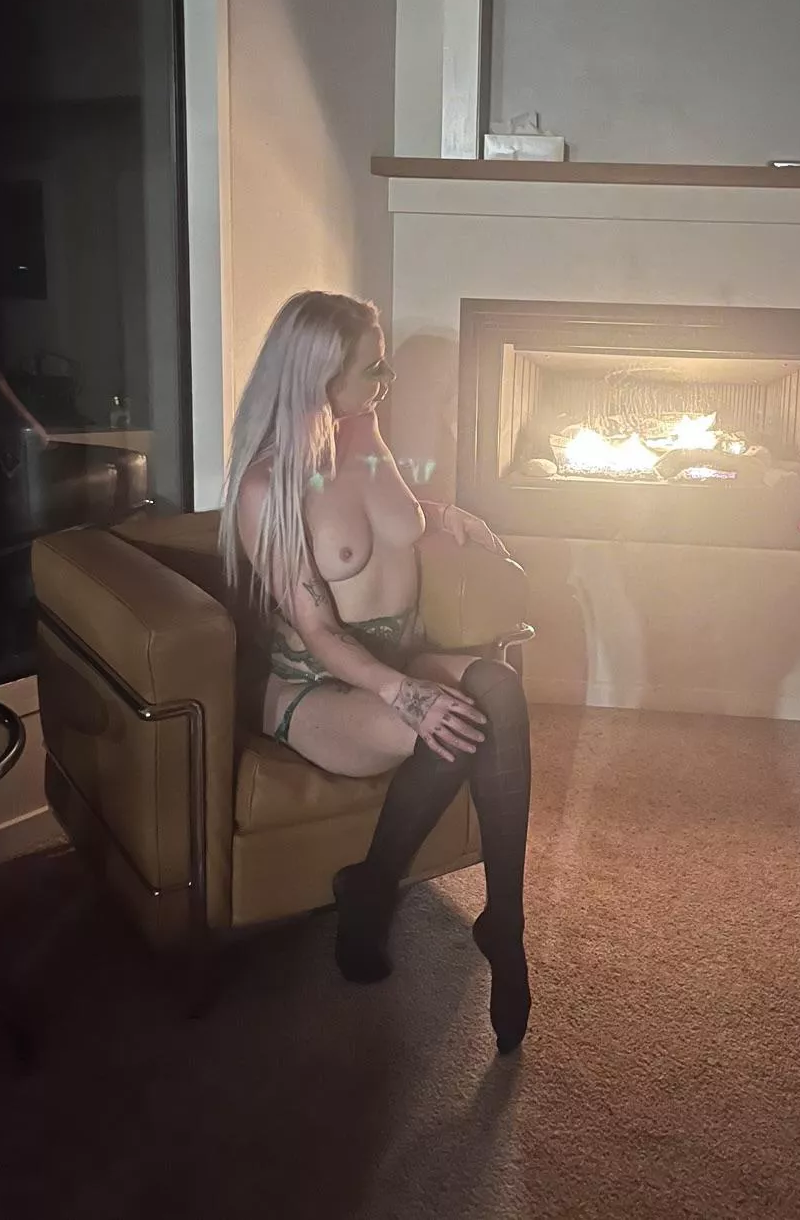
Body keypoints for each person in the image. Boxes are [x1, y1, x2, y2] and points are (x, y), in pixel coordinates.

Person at [219, 292, 532, 1054]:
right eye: (373, 369)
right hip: (319, 682)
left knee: (500, 688)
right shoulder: (265, 489)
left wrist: (442, 511)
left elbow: (381, 509)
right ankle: (373, 884)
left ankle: (505, 919)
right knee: (452, 725)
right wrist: (403, 692)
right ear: (321, 378)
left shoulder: (361, 431)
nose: (386, 381)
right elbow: (317, 628)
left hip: (396, 651)